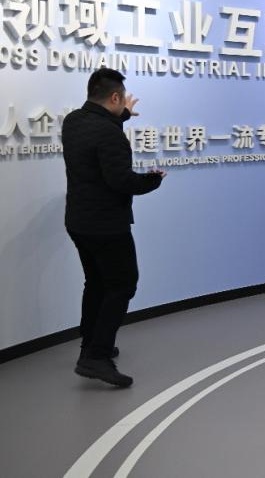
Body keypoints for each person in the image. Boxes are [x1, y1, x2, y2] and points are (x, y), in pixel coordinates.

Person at [62, 68, 165, 388]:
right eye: (122, 101)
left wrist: (123, 117)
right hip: (106, 225)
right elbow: (121, 181)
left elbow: (99, 137)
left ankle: (90, 344)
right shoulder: (109, 134)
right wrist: (153, 180)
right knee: (122, 284)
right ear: (116, 97)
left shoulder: (73, 121)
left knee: (96, 282)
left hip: (78, 222)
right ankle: (96, 356)